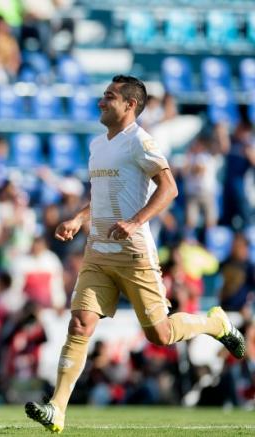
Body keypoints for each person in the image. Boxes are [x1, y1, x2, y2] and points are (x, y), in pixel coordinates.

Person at [24, 75, 246, 433]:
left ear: (130, 105)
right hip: (97, 250)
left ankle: (214, 323)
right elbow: (99, 193)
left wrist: (135, 221)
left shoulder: (141, 142)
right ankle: (57, 409)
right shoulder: (98, 145)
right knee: (80, 322)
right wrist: (80, 219)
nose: (101, 101)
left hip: (133, 254)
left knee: (159, 335)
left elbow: (170, 188)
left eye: (109, 97)